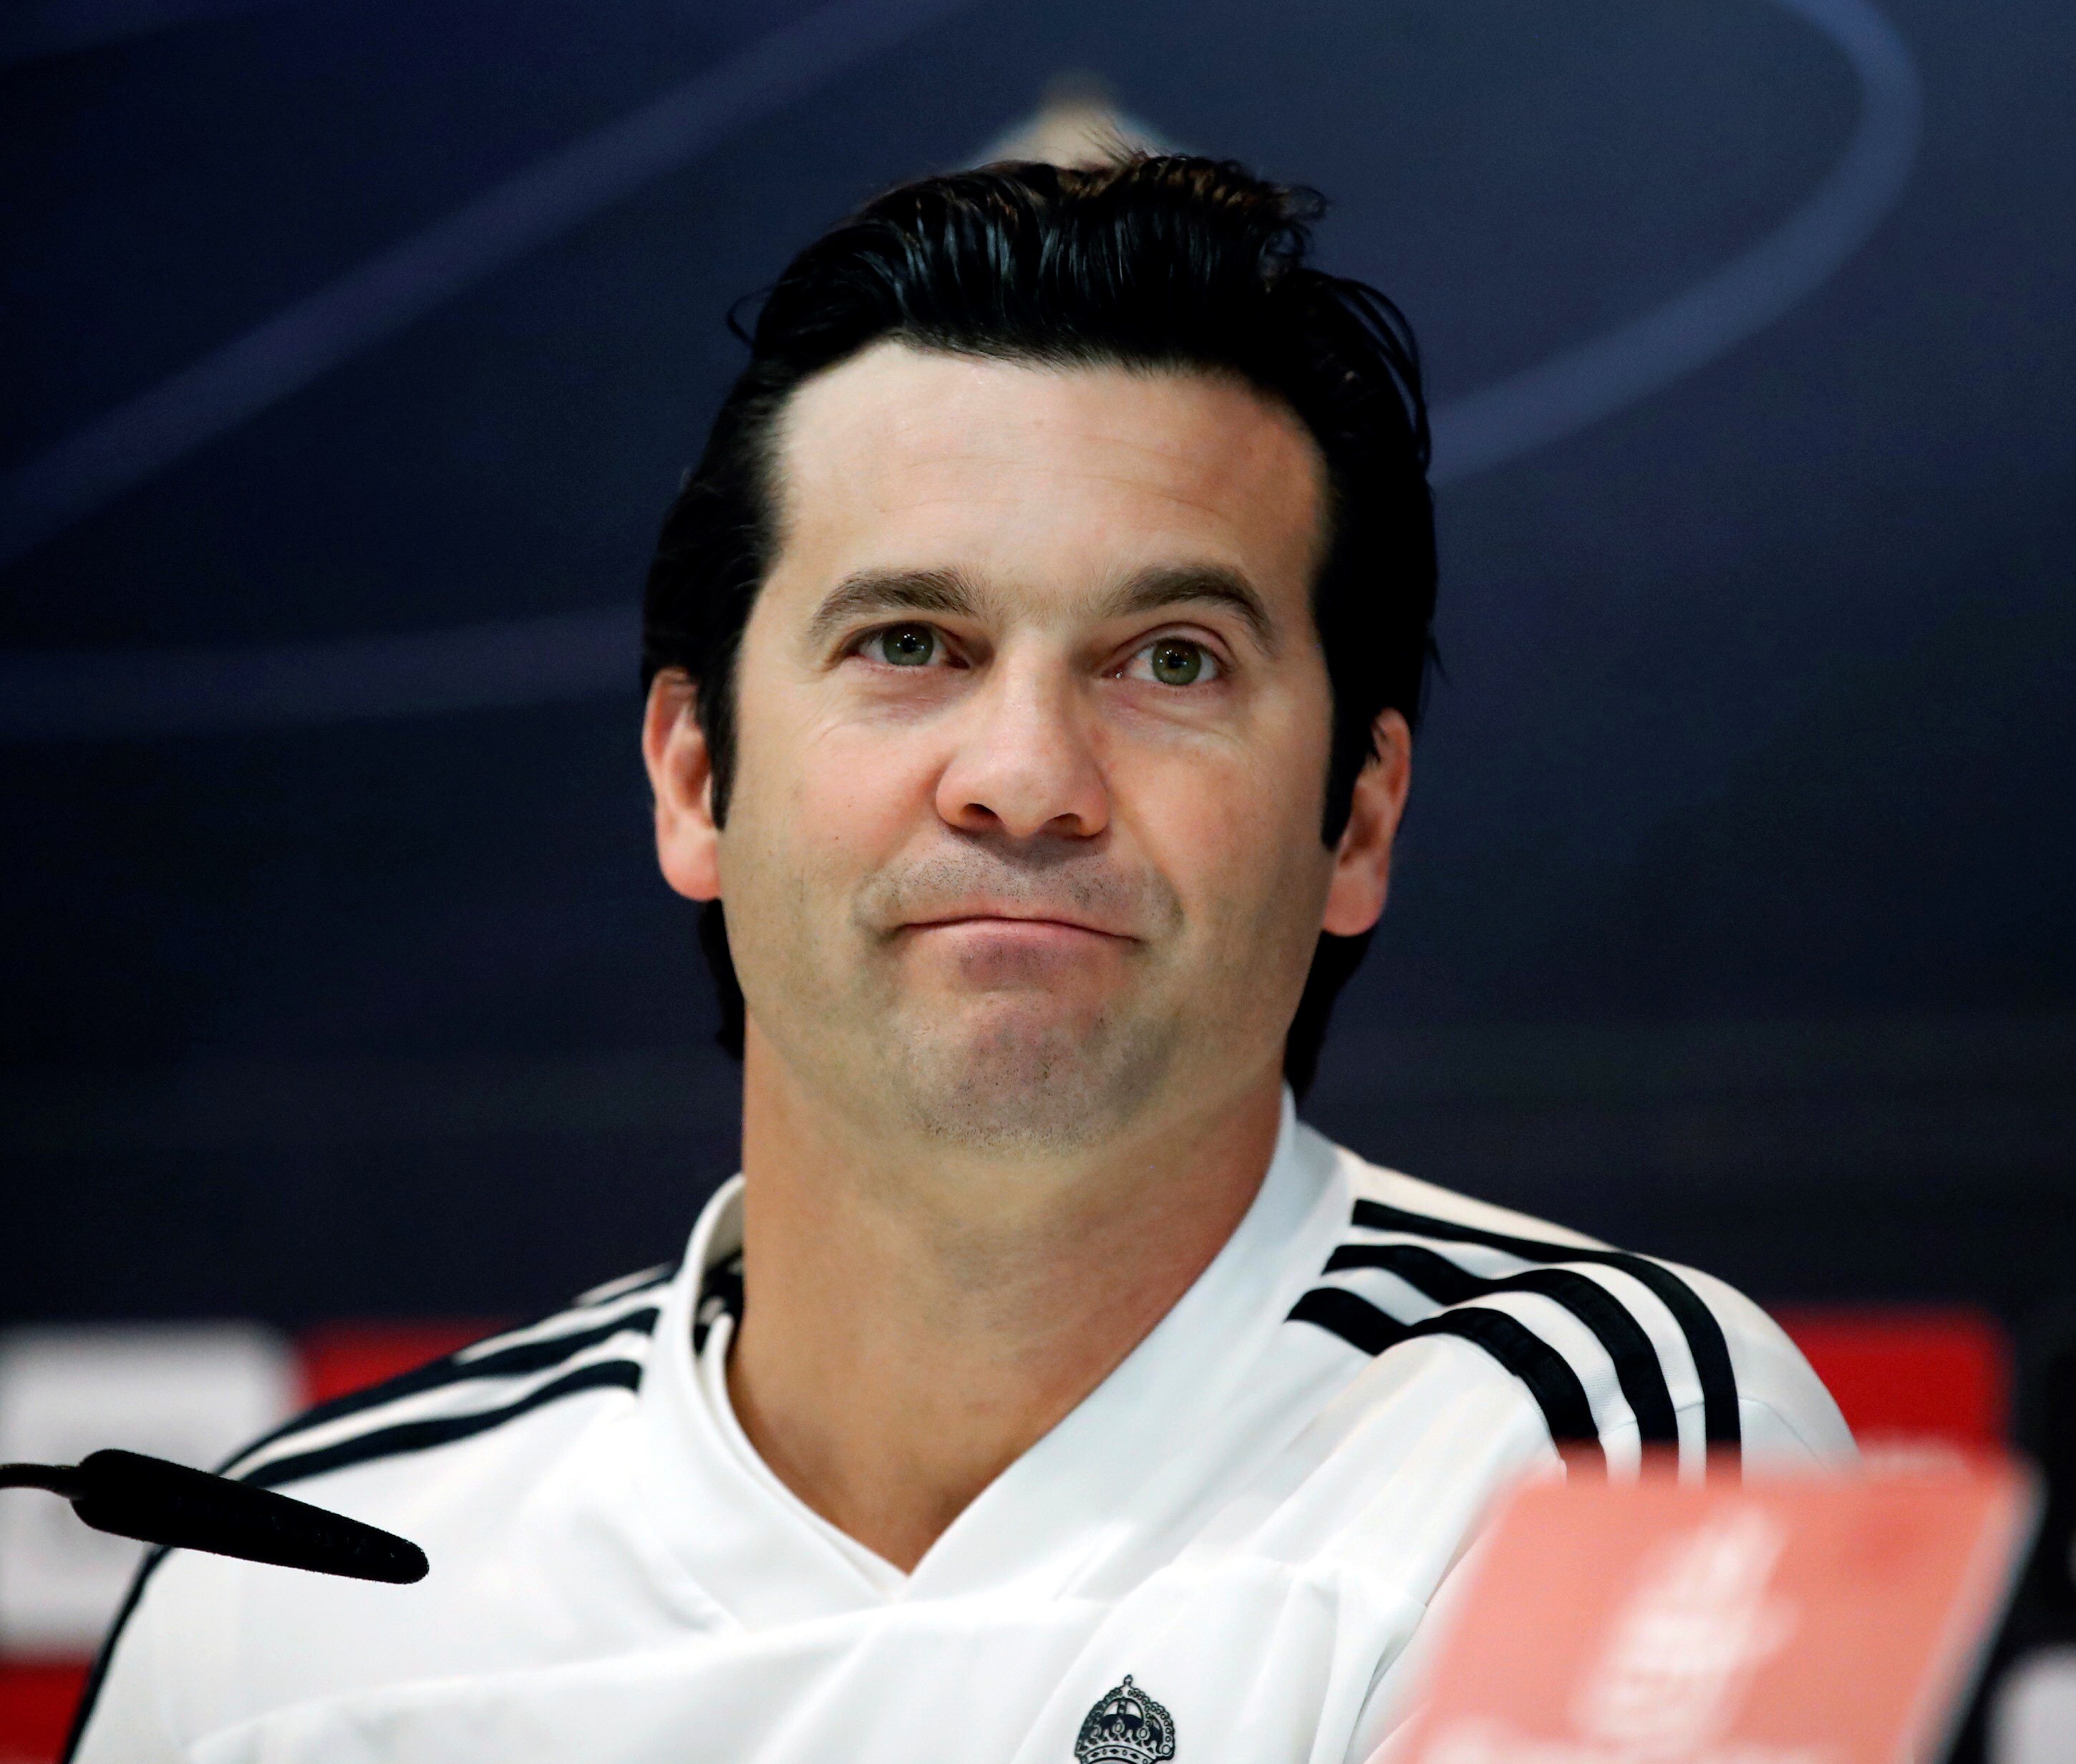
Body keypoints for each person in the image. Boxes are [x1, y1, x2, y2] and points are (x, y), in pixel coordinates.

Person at [68, 154, 1851, 1764]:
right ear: (697, 777)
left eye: (1170, 661)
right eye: (911, 639)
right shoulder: (289, 1590)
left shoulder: (1600, 1447)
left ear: (1357, 821)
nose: (1024, 780)